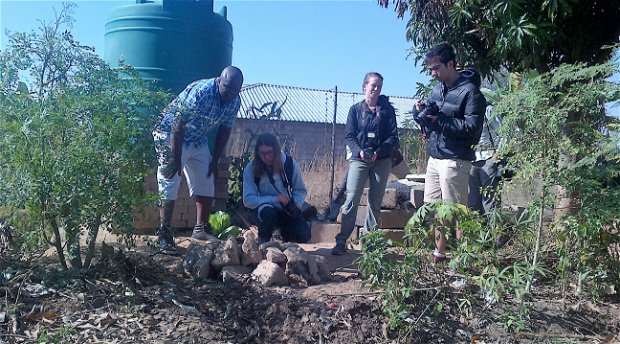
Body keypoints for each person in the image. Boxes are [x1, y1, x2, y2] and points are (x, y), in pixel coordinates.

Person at [154, 66, 244, 254]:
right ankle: (164, 234)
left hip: (197, 138)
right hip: (169, 134)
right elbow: (178, 123)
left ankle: (200, 230)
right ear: (220, 80)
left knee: (206, 177)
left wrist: (216, 160)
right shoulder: (202, 92)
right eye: (227, 87)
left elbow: (225, 130)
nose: (230, 92)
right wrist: (176, 157)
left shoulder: (234, 101)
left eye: (235, 89)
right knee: (170, 180)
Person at [412, 42, 486, 262]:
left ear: (451, 64)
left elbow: (472, 128)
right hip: (435, 157)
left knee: (456, 211)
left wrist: (441, 120)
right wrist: (420, 115)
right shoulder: (438, 89)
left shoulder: (471, 93)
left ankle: (463, 260)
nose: (433, 73)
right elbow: (430, 118)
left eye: (436, 68)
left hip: (455, 159)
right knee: (435, 209)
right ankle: (439, 254)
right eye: (431, 70)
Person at [332, 72, 399, 255]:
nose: (376, 90)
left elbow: (393, 137)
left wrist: (378, 153)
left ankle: (369, 243)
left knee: (375, 201)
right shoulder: (355, 110)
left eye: (379, 87)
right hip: (359, 158)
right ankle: (342, 240)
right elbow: (349, 135)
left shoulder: (387, 111)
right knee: (351, 199)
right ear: (365, 87)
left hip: (381, 159)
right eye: (373, 86)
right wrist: (359, 151)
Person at [242, 133, 311, 244]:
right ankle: (264, 241)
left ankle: (284, 235)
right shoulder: (251, 168)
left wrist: (296, 205)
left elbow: (300, 190)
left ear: (277, 151)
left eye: (270, 153)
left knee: (303, 235)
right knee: (268, 213)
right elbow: (248, 199)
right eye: (263, 153)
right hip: (265, 210)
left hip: (286, 209)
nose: (267, 157)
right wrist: (275, 199)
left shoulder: (289, 164)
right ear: (257, 153)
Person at [324, 148, 410, 222]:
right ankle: (332, 215)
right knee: (348, 189)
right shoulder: (356, 139)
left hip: (391, 156)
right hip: (366, 161)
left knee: (411, 183)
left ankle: (413, 213)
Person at [468, 105, 503, 215]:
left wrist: (497, 155)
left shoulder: (488, 110)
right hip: (470, 160)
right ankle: (477, 230)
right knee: (472, 201)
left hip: (488, 158)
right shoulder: (464, 110)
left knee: (490, 201)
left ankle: (493, 230)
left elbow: (504, 132)